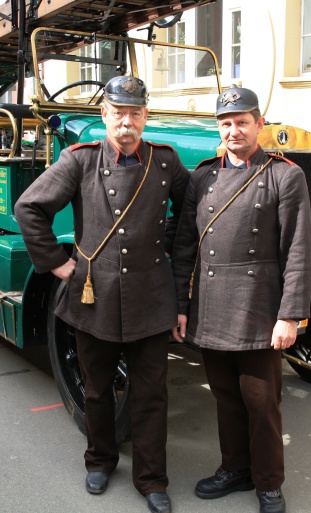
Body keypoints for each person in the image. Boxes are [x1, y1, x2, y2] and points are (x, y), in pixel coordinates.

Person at [15, 75, 190, 513]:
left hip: (151, 296)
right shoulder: (79, 161)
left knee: (151, 394)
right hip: (93, 295)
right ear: (105, 116)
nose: (126, 122)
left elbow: (189, 213)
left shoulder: (165, 162)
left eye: (134, 113)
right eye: (118, 113)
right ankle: (99, 460)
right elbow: (29, 208)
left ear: (146, 117)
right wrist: (58, 263)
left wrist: (167, 245)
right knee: (96, 389)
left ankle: (151, 480)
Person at [171, 86, 311, 513]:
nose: (234, 130)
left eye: (242, 122)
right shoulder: (203, 176)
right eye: (226, 123)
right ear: (220, 127)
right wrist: (181, 305)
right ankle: (234, 468)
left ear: (259, 124)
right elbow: (184, 248)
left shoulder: (284, 175)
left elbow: (298, 251)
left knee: (262, 403)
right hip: (211, 308)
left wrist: (290, 316)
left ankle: (268, 483)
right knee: (226, 397)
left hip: (258, 310)